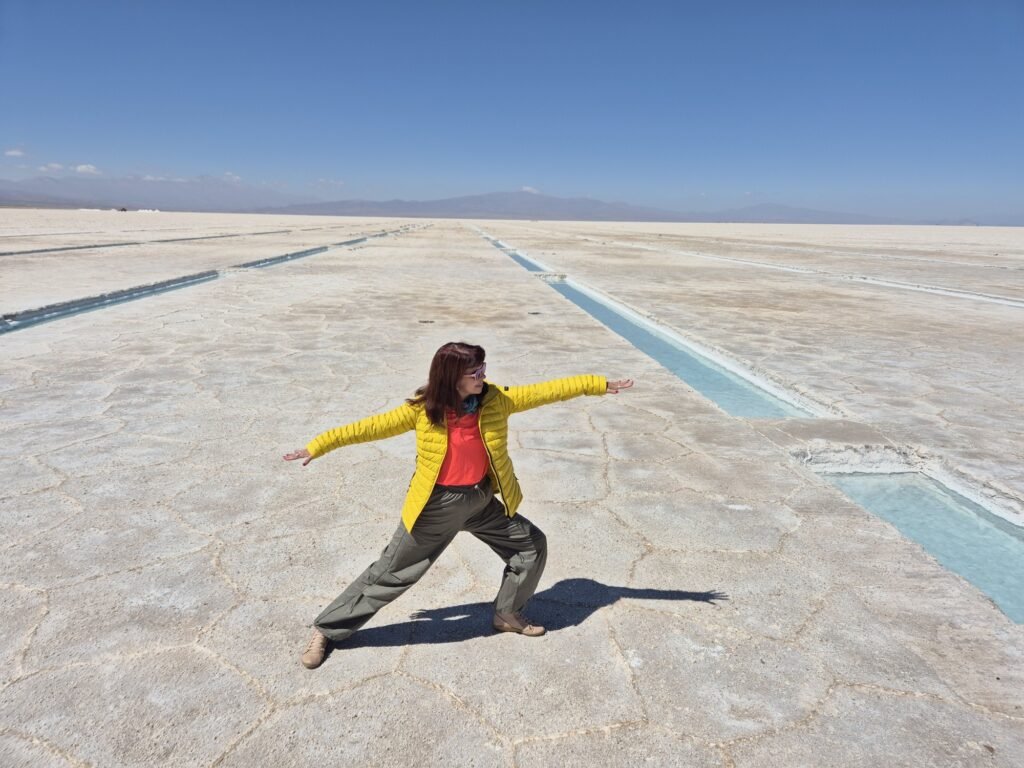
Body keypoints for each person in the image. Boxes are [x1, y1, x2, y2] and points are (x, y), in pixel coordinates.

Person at [284, 341, 634, 669]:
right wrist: (319, 445)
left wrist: (597, 384)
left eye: (483, 369)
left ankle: (507, 614)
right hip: (436, 506)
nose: (483, 377)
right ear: (452, 377)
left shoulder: (496, 400)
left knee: (530, 545)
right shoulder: (423, 410)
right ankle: (327, 630)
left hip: (479, 499)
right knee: (391, 573)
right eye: (475, 373)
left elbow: (547, 391)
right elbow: (368, 428)